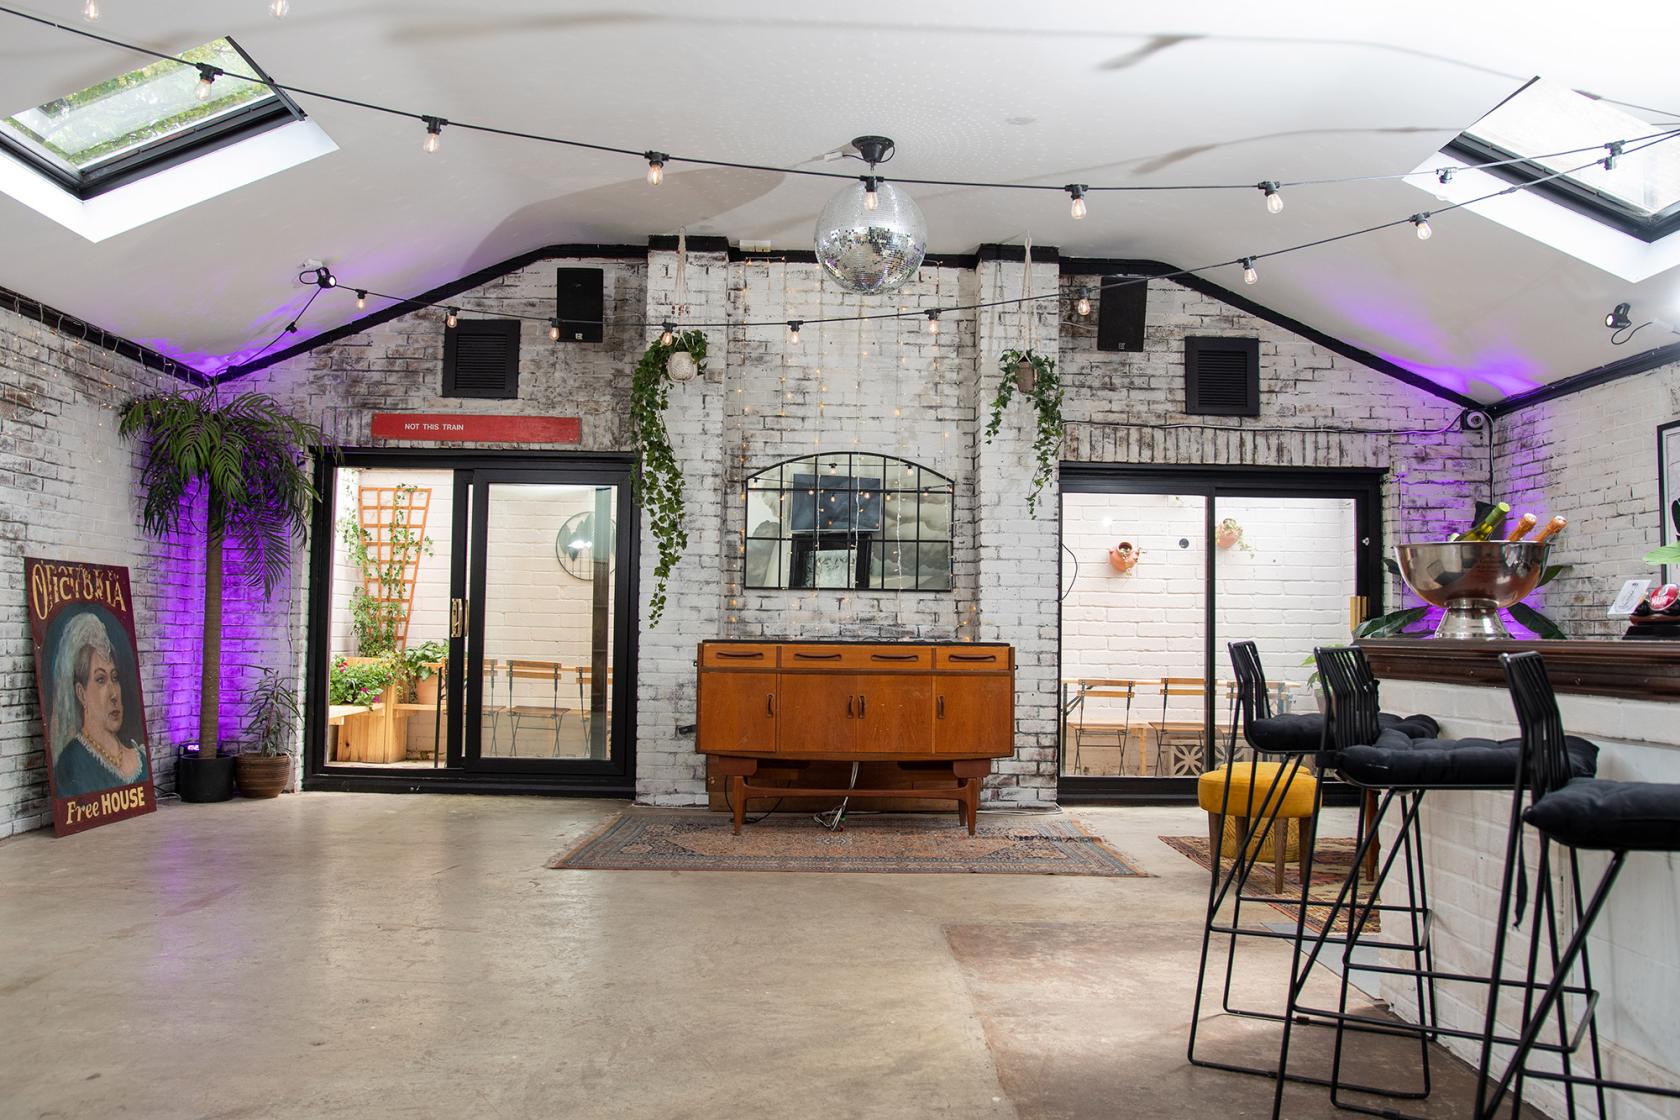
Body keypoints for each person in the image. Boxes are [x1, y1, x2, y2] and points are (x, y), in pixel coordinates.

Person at [50, 611, 148, 798]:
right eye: (101, 679)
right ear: (81, 694)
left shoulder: (139, 759)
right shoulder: (70, 764)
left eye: (115, 678)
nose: (114, 694)